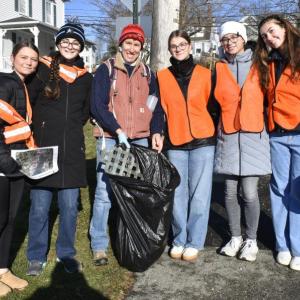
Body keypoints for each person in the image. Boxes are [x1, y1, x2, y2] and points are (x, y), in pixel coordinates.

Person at [89, 24, 164, 266]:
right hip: (112, 140)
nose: (132, 48)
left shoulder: (148, 74)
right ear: (121, 45)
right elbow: (97, 106)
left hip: (140, 140)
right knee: (105, 193)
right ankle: (99, 244)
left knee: (135, 194)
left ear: (141, 48)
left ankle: (132, 238)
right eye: (128, 43)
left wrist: (156, 132)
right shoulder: (106, 70)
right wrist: (117, 129)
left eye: (137, 44)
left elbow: (156, 106)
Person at [26, 23, 93, 275]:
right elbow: (28, 103)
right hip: (42, 147)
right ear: (58, 43)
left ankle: (66, 253)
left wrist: (72, 128)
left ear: (81, 47)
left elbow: (85, 111)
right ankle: (35, 255)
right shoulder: (42, 69)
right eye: (66, 41)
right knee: (40, 207)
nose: (70, 46)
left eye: (76, 43)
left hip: (71, 150)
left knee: (68, 207)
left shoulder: (86, 78)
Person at [214, 21, 271, 262]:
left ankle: (251, 239)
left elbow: (270, 99)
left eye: (233, 37)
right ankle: (235, 237)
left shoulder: (260, 64)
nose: (229, 42)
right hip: (227, 136)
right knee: (228, 193)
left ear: (242, 38)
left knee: (249, 193)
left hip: (252, 137)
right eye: (225, 38)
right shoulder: (217, 68)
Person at [157, 30, 216, 262]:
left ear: (190, 46)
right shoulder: (161, 77)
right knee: (178, 194)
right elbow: (158, 110)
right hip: (176, 140)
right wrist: (157, 132)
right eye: (174, 45)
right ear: (169, 49)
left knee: (200, 194)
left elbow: (214, 106)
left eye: (182, 44)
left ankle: (195, 241)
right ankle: (179, 239)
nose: (178, 48)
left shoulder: (205, 73)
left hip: (203, 140)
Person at [254, 15, 300, 270]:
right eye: (264, 36)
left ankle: (298, 247)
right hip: (277, 134)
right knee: (279, 188)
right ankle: (282, 245)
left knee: (297, 191)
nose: (269, 38)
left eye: (272, 31)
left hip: (299, 132)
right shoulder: (268, 61)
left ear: (284, 27)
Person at [0, 41, 39, 297]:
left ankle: (2, 270)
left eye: (33, 59)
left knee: (10, 220)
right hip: (3, 164)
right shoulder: (4, 84)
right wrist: (3, 159)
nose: (29, 62)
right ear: (13, 57)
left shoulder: (23, 85)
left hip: (17, 164)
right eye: (24, 57)